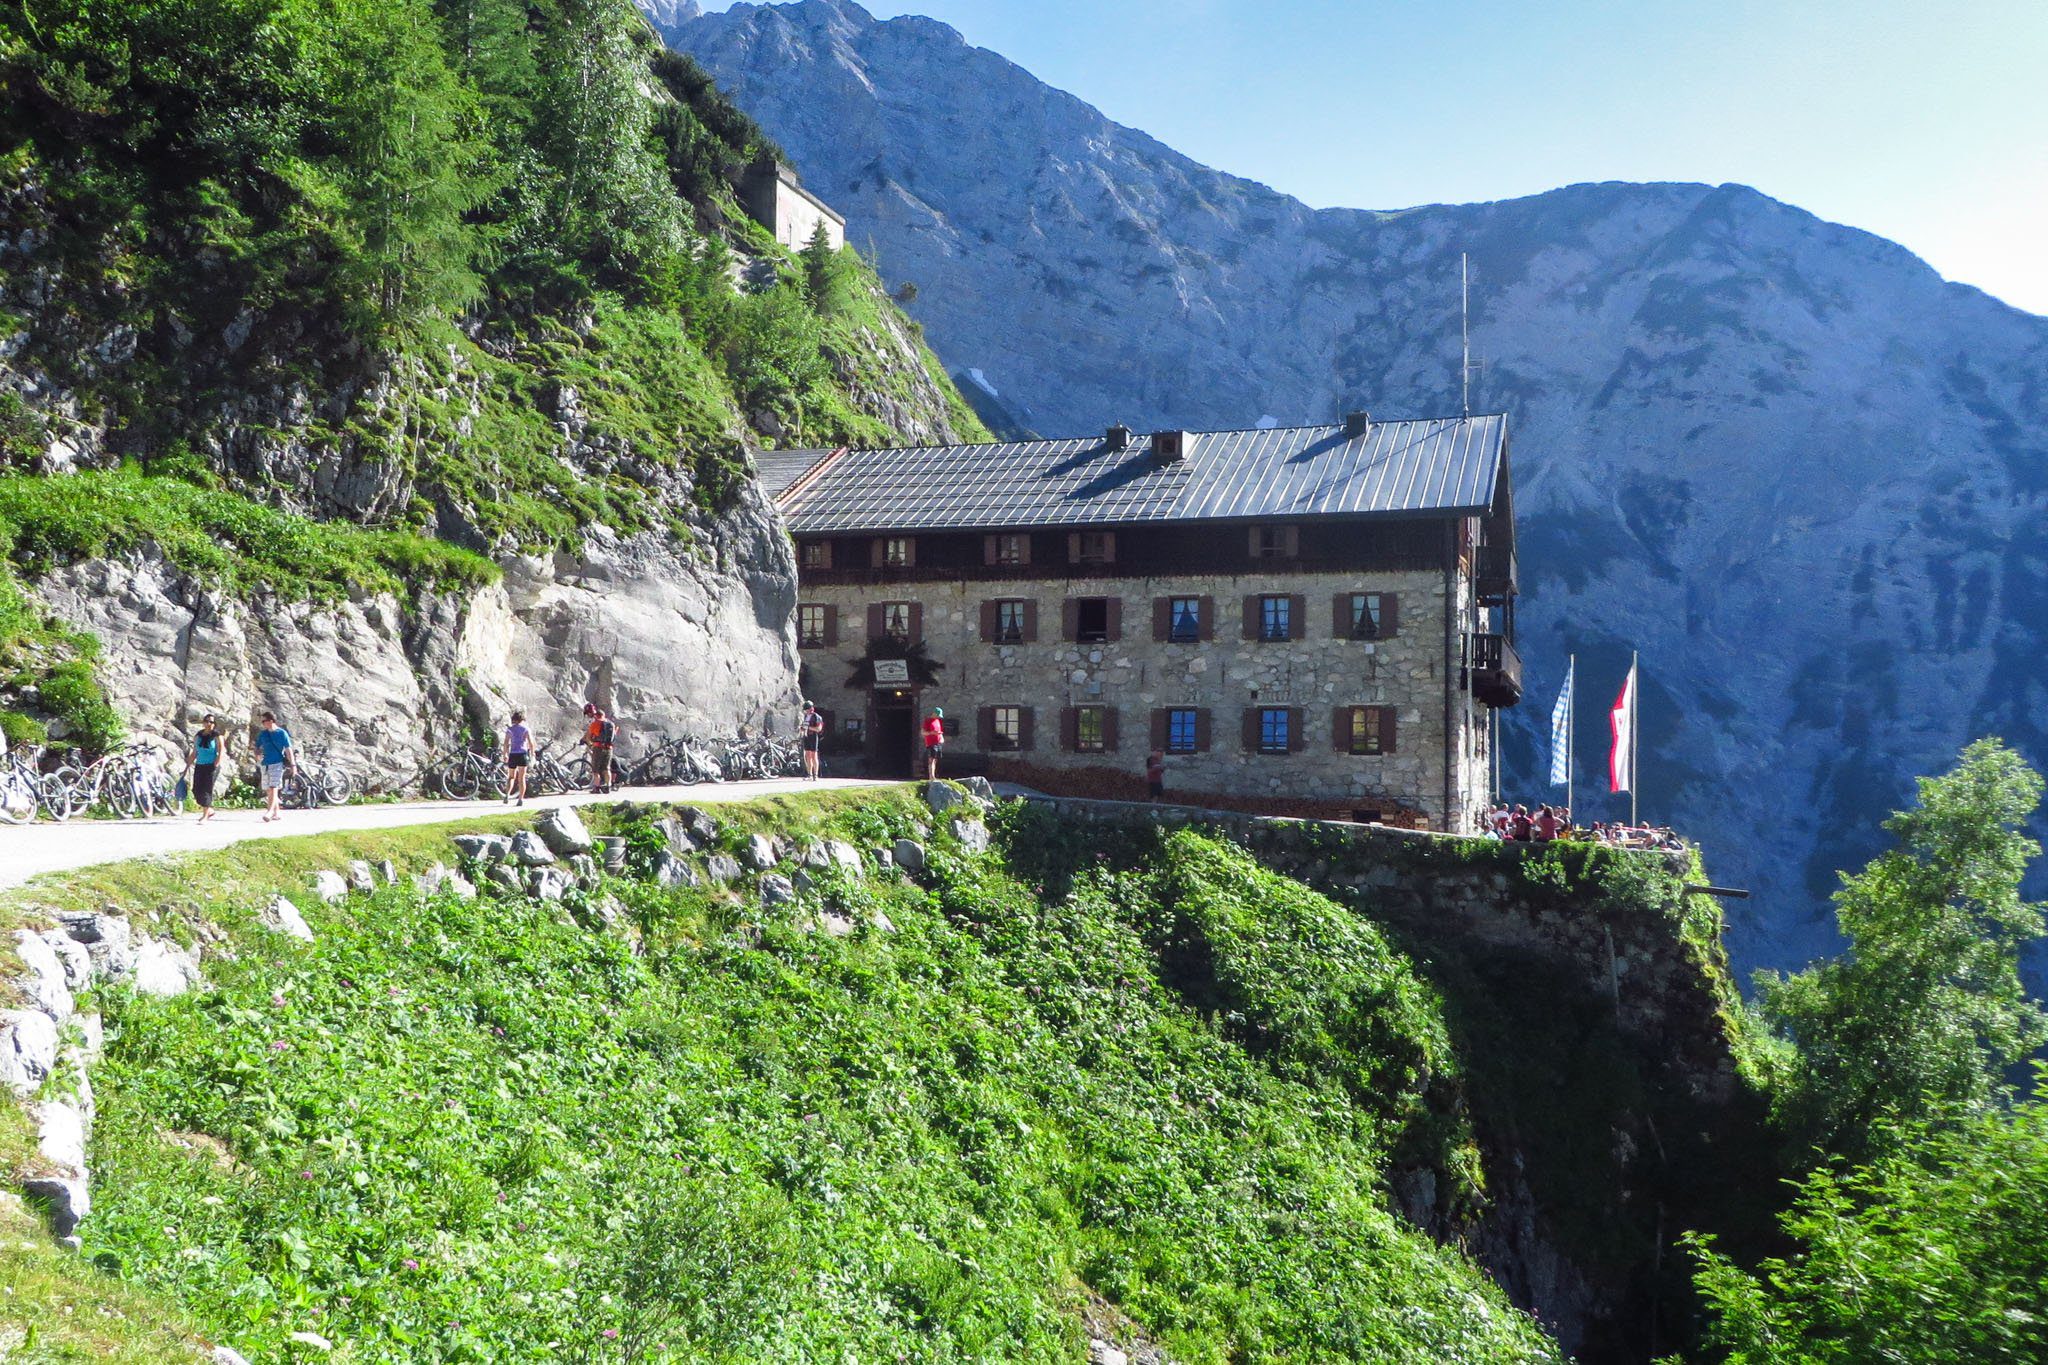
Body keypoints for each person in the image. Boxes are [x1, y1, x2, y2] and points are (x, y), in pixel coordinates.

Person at [185, 714, 225, 823]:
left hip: (211, 766)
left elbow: (221, 751)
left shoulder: (217, 736)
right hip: (200, 765)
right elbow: (195, 752)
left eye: (211, 722)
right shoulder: (198, 736)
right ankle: (209, 810)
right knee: (196, 789)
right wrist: (188, 764)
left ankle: (205, 815)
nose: (208, 724)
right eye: (206, 721)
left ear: (214, 724)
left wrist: (216, 764)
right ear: (203, 722)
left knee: (207, 790)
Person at [255, 711, 294, 822]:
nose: (263, 724)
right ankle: (277, 812)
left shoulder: (281, 733)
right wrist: (257, 754)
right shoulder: (263, 734)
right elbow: (257, 746)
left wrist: (293, 765)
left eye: (264, 721)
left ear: (271, 721)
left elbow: (288, 749)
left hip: (277, 763)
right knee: (268, 789)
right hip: (265, 763)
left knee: (274, 787)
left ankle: (269, 811)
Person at [581, 703, 616, 794]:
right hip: (609, 748)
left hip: (598, 748)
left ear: (590, 713)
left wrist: (590, 744)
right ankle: (608, 786)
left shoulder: (595, 724)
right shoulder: (610, 723)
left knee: (595, 769)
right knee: (606, 768)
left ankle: (597, 788)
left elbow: (588, 737)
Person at [503, 710, 532, 805]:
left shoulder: (510, 730)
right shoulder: (525, 729)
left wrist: (505, 754)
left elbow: (506, 743)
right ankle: (520, 799)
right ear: (522, 719)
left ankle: (507, 794)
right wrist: (532, 754)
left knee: (511, 777)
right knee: (521, 778)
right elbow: (531, 743)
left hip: (513, 754)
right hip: (522, 754)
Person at [800, 700, 825, 781]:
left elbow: (818, 729)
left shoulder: (817, 717)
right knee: (807, 756)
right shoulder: (805, 717)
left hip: (813, 737)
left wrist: (808, 728)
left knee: (814, 756)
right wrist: (802, 728)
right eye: (806, 709)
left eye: (809, 709)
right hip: (806, 737)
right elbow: (804, 726)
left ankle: (815, 775)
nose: (808, 711)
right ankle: (809, 775)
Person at [921, 706, 945, 780]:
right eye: (937, 715)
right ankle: (931, 776)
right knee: (931, 759)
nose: (938, 717)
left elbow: (939, 732)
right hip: (931, 743)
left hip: (938, 742)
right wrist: (931, 733)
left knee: (936, 759)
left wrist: (941, 737)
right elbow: (923, 732)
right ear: (934, 713)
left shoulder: (938, 721)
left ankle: (935, 775)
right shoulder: (927, 721)